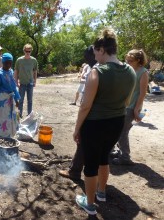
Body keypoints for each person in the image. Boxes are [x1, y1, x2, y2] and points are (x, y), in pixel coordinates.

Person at [73, 28, 136, 215]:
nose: (95, 57)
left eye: (95, 52)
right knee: (104, 159)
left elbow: (85, 106)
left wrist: (77, 129)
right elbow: (126, 101)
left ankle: (90, 204)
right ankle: (101, 193)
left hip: (94, 126)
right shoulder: (130, 71)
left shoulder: (97, 72)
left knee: (91, 164)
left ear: (101, 49)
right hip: (117, 122)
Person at [59, 45, 97, 180]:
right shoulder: (100, 68)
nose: (85, 59)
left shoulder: (96, 70)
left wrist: (77, 127)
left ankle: (75, 172)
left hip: (92, 112)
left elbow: (87, 103)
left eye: (86, 56)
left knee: (82, 140)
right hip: (100, 114)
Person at [112, 49, 149, 165]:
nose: (127, 62)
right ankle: (120, 151)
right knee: (117, 129)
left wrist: (136, 110)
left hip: (132, 107)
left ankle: (125, 157)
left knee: (122, 132)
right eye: (126, 60)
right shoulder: (128, 70)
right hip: (122, 105)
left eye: (130, 61)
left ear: (138, 60)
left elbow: (142, 93)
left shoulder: (143, 72)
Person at [0, 53, 20, 138]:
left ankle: (8, 138)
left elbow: (14, 86)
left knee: (10, 119)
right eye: (6, 63)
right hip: (1, 100)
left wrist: (17, 98)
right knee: (1, 119)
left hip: (10, 100)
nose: (8, 65)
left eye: (10, 63)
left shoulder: (11, 71)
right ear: (2, 62)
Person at [14, 44, 38, 118]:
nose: (28, 52)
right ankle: (19, 115)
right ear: (24, 51)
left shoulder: (34, 60)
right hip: (22, 83)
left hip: (30, 83)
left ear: (31, 51)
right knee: (20, 100)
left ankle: (29, 115)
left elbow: (35, 71)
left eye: (29, 51)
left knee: (30, 100)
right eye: (26, 51)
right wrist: (16, 81)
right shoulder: (19, 60)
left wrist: (35, 81)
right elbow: (16, 71)